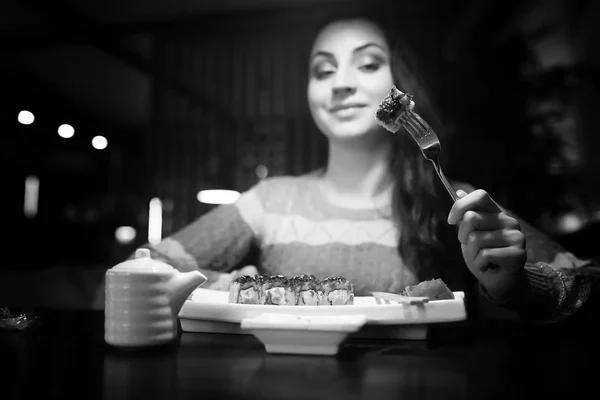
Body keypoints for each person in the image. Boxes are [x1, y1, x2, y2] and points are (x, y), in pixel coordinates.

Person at [136, 16, 595, 323]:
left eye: (368, 63)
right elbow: (146, 270)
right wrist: (233, 286)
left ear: (402, 85)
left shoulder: (457, 203)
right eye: (323, 70)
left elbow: (584, 283)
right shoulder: (270, 200)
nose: (341, 84)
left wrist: (516, 284)